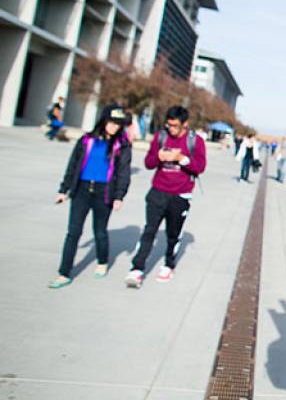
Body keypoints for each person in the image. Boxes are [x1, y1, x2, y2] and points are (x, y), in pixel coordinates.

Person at [48, 105, 132, 288]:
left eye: (118, 124)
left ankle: (102, 262)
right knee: (73, 233)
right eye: (112, 122)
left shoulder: (122, 145)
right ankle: (64, 273)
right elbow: (73, 165)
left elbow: (124, 172)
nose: (115, 127)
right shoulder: (86, 140)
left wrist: (119, 196)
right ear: (103, 120)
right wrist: (64, 189)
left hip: (104, 193)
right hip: (81, 191)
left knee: (100, 231)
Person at [125, 106, 207, 288]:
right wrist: (158, 157)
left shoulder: (196, 141)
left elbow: (200, 167)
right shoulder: (160, 137)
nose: (171, 129)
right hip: (158, 192)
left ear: (185, 124)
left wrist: (182, 159)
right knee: (149, 231)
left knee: (173, 234)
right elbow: (148, 163)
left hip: (180, 196)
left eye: (175, 125)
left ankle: (169, 264)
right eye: (169, 125)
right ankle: (137, 269)